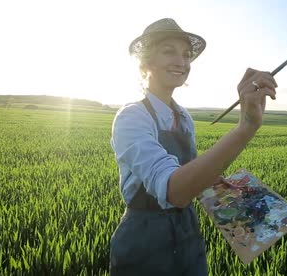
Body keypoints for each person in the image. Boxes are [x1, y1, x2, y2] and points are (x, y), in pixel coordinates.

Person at [109, 18, 278, 275]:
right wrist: (246, 127)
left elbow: (188, 173)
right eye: (169, 51)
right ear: (146, 62)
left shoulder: (184, 117)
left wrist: (217, 183)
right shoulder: (132, 117)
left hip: (188, 232)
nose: (181, 61)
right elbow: (174, 190)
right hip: (144, 237)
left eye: (186, 55)